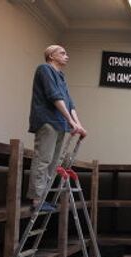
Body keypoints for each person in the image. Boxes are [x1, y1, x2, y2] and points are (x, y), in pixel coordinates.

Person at [26, 44, 86, 212]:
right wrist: (71, 121)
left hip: (60, 123)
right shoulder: (44, 69)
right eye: (62, 53)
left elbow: (69, 102)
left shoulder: (61, 76)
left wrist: (78, 124)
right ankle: (37, 200)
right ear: (51, 56)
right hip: (47, 121)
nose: (66, 56)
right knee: (43, 159)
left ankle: (43, 198)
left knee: (54, 163)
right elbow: (55, 97)